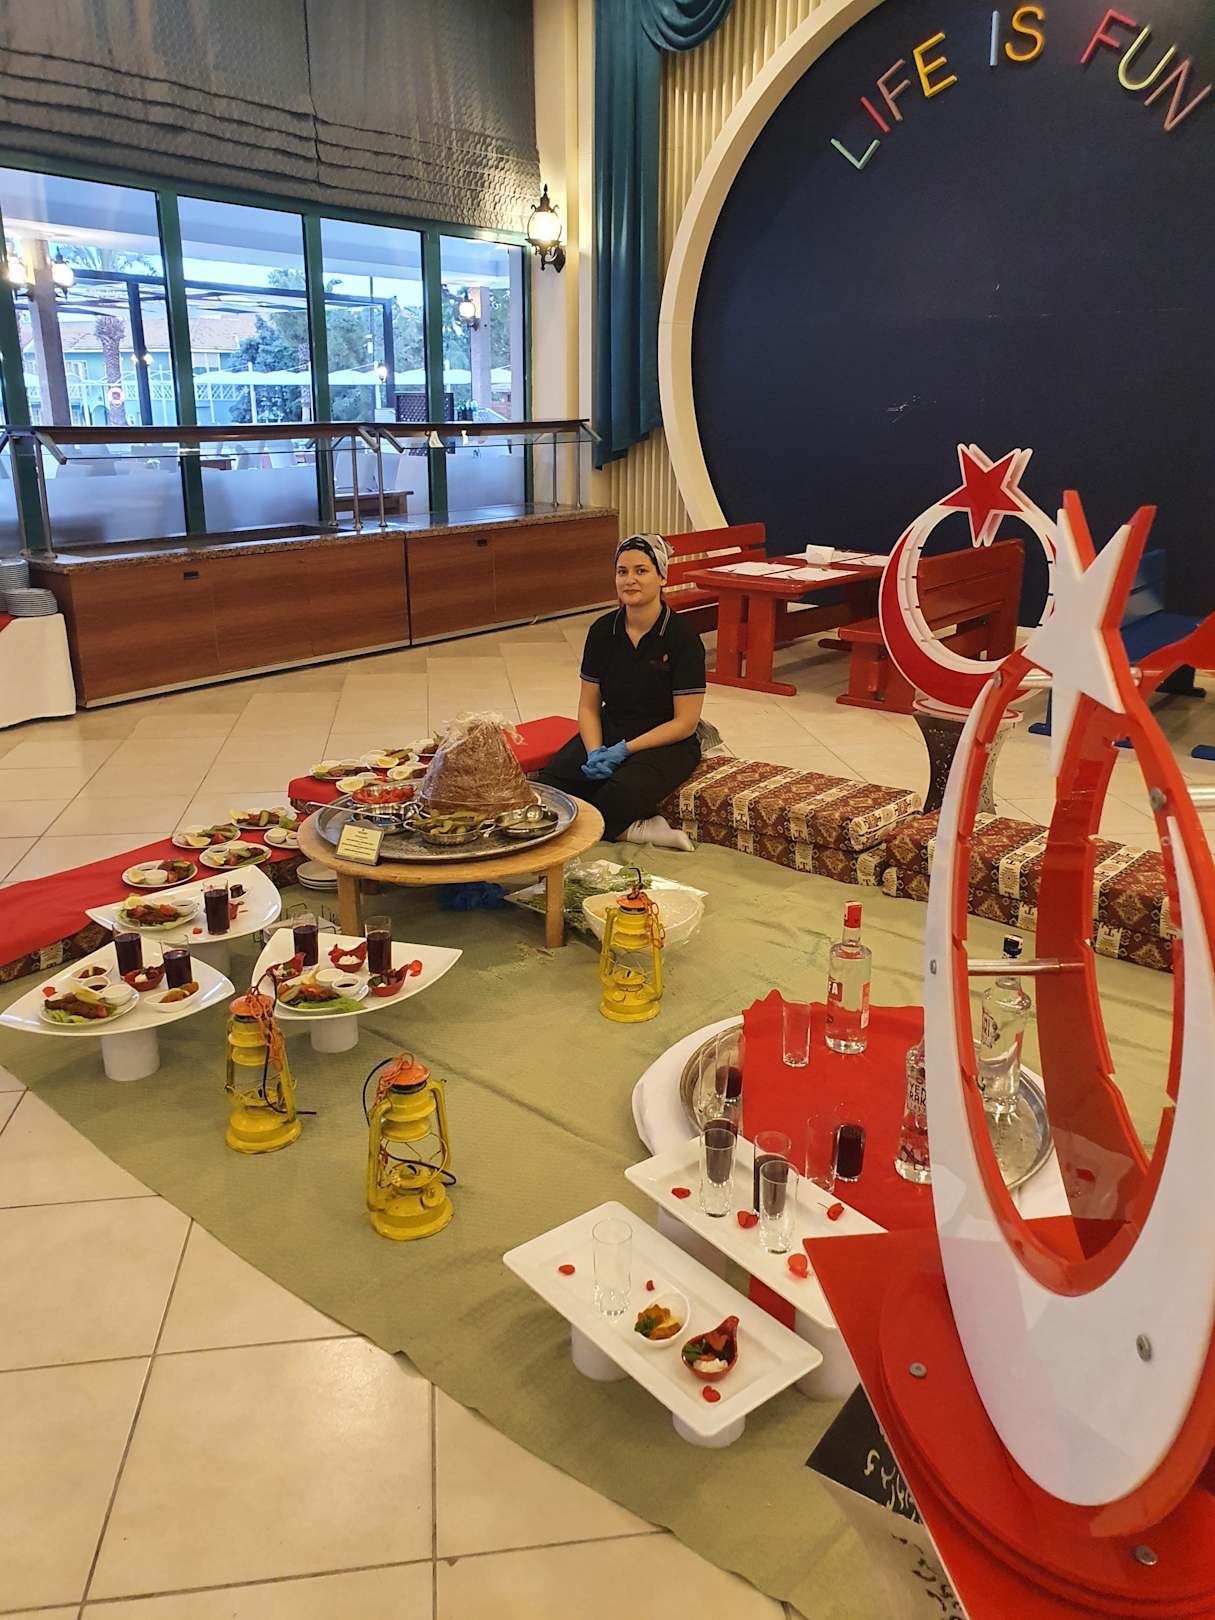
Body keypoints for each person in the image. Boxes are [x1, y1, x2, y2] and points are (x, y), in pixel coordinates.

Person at [538, 533, 704, 849]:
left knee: (619, 792)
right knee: (550, 790)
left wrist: (625, 750)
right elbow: (588, 706)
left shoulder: (681, 636)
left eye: (641, 571)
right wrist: (594, 750)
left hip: (666, 739)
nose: (630, 580)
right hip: (612, 726)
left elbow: (685, 723)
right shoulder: (602, 631)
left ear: (662, 577)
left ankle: (638, 829)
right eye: (622, 571)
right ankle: (626, 829)